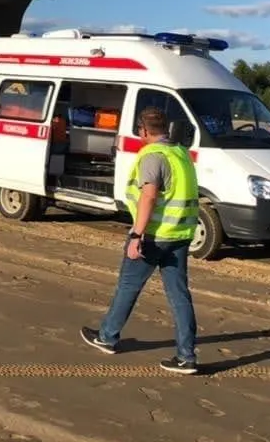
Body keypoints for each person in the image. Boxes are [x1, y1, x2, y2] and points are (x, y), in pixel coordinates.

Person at [80, 106, 201, 374]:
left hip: (154, 236)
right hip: (180, 235)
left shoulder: (153, 156)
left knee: (128, 286)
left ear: (143, 130)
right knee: (179, 295)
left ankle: (107, 337)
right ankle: (186, 356)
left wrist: (136, 234)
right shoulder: (181, 153)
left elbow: (149, 196)